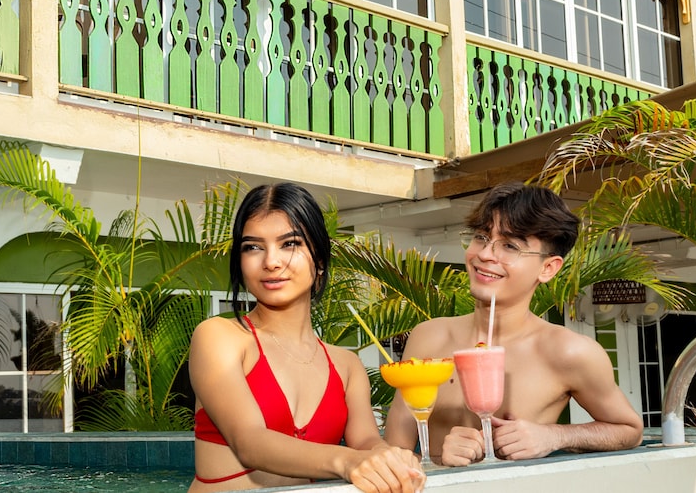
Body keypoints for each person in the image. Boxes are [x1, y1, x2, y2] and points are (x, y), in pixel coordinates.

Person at [383, 182, 643, 466]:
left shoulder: (568, 351)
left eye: (509, 246)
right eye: (481, 237)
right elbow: (395, 451)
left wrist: (554, 436)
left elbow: (629, 430)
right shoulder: (428, 337)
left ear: (548, 268)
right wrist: (436, 463)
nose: (485, 254)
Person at [189, 182, 425, 492]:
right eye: (253, 247)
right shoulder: (220, 337)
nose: (271, 262)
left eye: (290, 244)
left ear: (320, 261)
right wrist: (347, 461)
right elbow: (250, 442)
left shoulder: (347, 366)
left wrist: (389, 456)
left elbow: (366, 440)